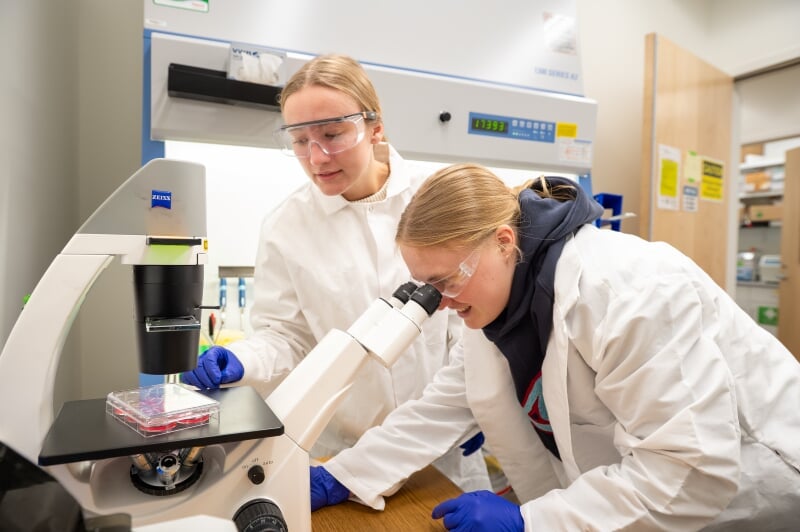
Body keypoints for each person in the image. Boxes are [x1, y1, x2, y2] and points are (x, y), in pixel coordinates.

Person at [309, 163, 800, 531]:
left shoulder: (628, 292)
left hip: (754, 495)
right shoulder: (501, 305)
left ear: (504, 241)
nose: (439, 304)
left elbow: (690, 473)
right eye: (429, 287)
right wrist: (344, 475)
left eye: (447, 281)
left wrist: (533, 521)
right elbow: (439, 407)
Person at [180, 55, 490, 492]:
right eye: (300, 139)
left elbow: (476, 318)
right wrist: (241, 361)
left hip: (445, 448)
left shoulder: (435, 195)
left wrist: (480, 401)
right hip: (342, 452)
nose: (316, 156)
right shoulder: (286, 226)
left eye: (331, 134)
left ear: (374, 126)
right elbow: (287, 337)